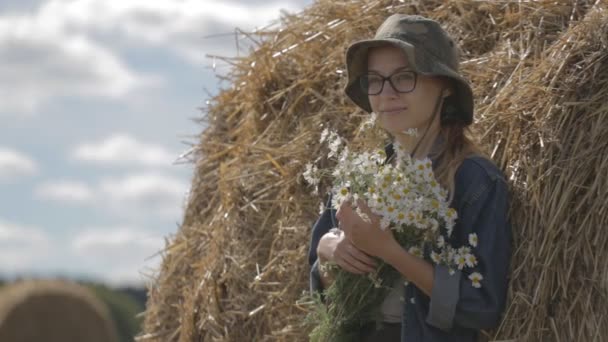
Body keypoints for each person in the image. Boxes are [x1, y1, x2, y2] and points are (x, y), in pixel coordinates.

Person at [307, 14, 512, 342]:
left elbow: (481, 307)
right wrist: (327, 251)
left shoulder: (474, 182)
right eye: (374, 79)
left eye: (405, 77)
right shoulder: (358, 178)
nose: (386, 93)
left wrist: (391, 252)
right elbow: (325, 302)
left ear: (444, 86)